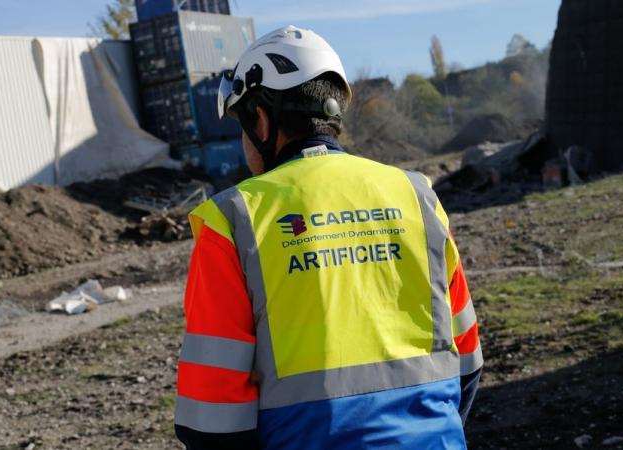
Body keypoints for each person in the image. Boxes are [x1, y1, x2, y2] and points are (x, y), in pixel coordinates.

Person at [174, 25, 483, 450]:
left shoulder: (233, 219)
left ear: (260, 120)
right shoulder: (417, 196)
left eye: (242, 126)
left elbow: (210, 419)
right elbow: (467, 362)